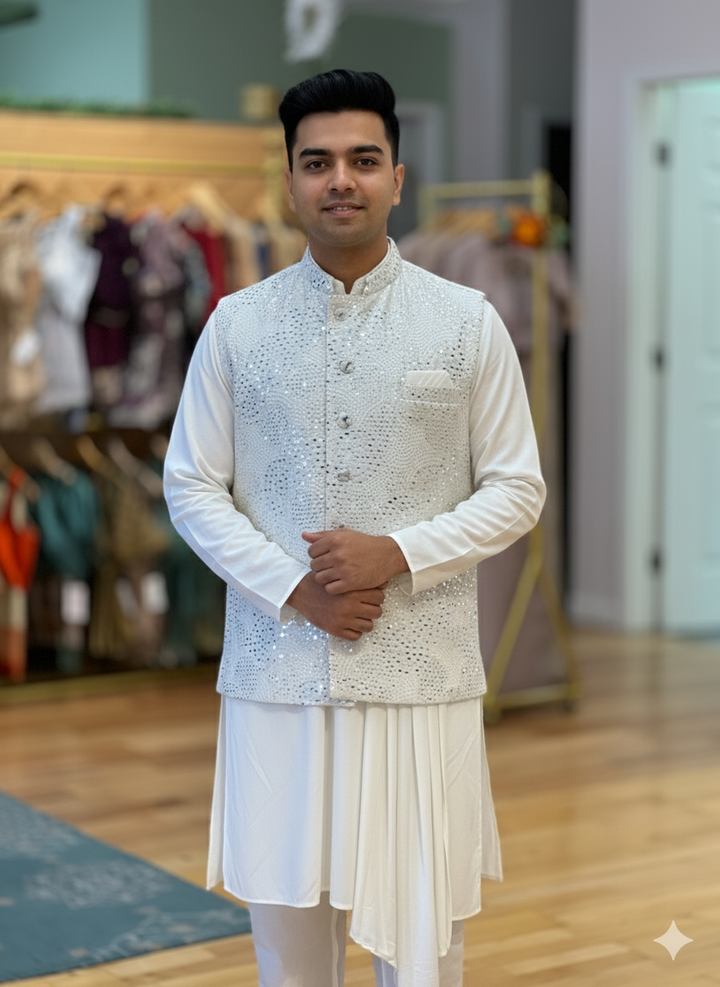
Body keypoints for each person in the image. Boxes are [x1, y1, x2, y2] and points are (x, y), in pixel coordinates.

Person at [164, 69, 545, 987]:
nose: (343, 179)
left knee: (423, 950)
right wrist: (294, 586)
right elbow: (189, 483)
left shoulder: (467, 323)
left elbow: (518, 487)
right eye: (319, 161)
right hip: (278, 675)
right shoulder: (236, 327)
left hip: (420, 678)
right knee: (290, 951)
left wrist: (400, 552)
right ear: (290, 182)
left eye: (364, 160)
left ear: (398, 178)